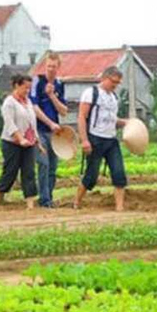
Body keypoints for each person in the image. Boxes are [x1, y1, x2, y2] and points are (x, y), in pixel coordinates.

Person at [73, 66, 129, 212]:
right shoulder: (91, 93)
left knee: (119, 173)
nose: (115, 85)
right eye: (113, 82)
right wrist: (84, 140)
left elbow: (111, 119)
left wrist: (125, 122)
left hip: (111, 140)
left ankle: (119, 207)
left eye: (118, 83)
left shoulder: (114, 97)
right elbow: (81, 117)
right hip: (95, 139)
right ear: (105, 78)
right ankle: (77, 202)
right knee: (91, 175)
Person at [0, 74, 43, 209]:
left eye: (29, 88)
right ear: (16, 86)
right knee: (10, 172)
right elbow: (10, 124)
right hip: (11, 143)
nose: (27, 91)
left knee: (29, 172)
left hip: (28, 142)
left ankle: (30, 202)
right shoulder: (9, 103)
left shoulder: (28, 102)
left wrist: (37, 141)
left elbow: (32, 123)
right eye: (25, 88)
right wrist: (20, 139)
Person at [30, 51, 68, 208]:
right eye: (48, 66)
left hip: (54, 132)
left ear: (58, 67)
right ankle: (44, 199)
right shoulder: (37, 81)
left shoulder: (60, 84)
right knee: (43, 163)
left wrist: (52, 96)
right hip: (40, 129)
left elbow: (64, 111)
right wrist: (49, 123)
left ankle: (48, 196)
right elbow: (34, 107)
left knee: (53, 165)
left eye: (54, 66)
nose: (51, 69)